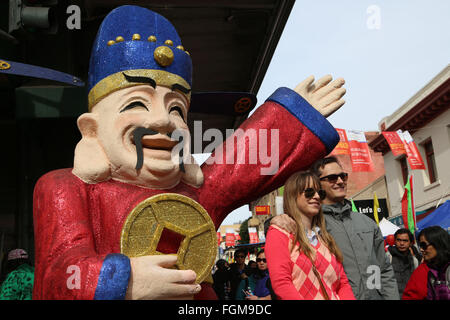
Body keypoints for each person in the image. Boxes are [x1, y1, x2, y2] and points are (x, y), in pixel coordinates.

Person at [32, 6, 347, 300]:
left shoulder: (195, 194)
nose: (162, 121)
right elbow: (57, 272)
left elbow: (243, 159)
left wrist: (296, 114)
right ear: (91, 129)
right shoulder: (64, 188)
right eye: (136, 104)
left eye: (176, 110)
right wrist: (124, 279)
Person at [269, 156, 399, 300]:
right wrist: (275, 220)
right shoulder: (314, 226)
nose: (340, 181)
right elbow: (282, 280)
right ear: (318, 183)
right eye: (332, 178)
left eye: (343, 176)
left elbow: (384, 269)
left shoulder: (366, 223)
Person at [265, 171, 355, 300]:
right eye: (309, 192)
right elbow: (282, 284)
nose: (317, 196)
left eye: (320, 193)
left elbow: (342, 283)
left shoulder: (325, 237)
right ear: (293, 195)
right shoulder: (279, 233)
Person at [386, 228, 422, 297]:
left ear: (411, 243)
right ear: (395, 241)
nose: (402, 243)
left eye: (405, 241)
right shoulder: (388, 257)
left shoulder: (415, 259)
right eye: (399, 240)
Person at [418, 226, 450, 300]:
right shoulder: (432, 272)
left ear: (438, 244)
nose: (421, 249)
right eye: (420, 246)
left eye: (424, 245)